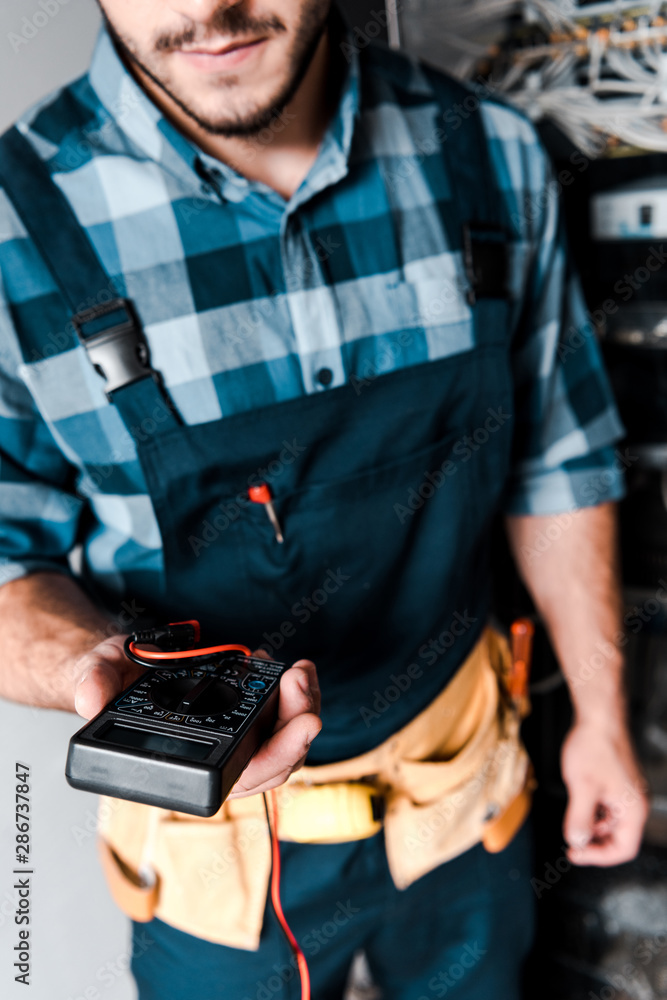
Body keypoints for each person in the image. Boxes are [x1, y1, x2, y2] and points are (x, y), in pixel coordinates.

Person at [0, 1, 649, 997]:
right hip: (217, 856)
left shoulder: (491, 155)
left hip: (461, 791)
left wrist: (600, 718)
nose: (208, 6)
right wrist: (93, 667)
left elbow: (557, 460)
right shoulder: (16, 226)